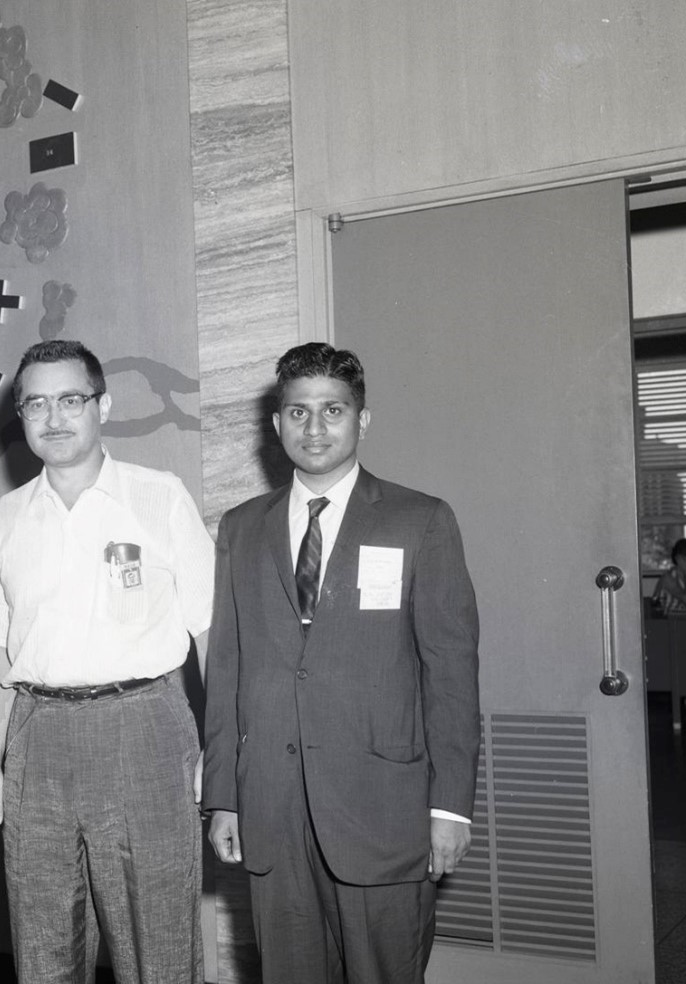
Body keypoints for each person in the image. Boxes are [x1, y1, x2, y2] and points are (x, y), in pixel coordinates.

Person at [203, 342, 481, 984]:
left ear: (363, 419)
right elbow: (228, 670)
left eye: (333, 410)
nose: (315, 428)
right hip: (272, 807)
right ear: (275, 425)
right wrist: (224, 796)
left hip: (384, 811)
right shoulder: (242, 527)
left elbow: (451, 675)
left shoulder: (422, 520)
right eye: (297, 413)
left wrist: (451, 807)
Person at [0, 339, 214, 984]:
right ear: (19, 417)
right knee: (44, 946)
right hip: (38, 739)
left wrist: (217, 751)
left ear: (104, 404)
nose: (55, 417)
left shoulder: (160, 497)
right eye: (36, 404)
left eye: (71, 399)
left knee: (157, 947)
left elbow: (211, 632)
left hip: (146, 729)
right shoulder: (7, 518)